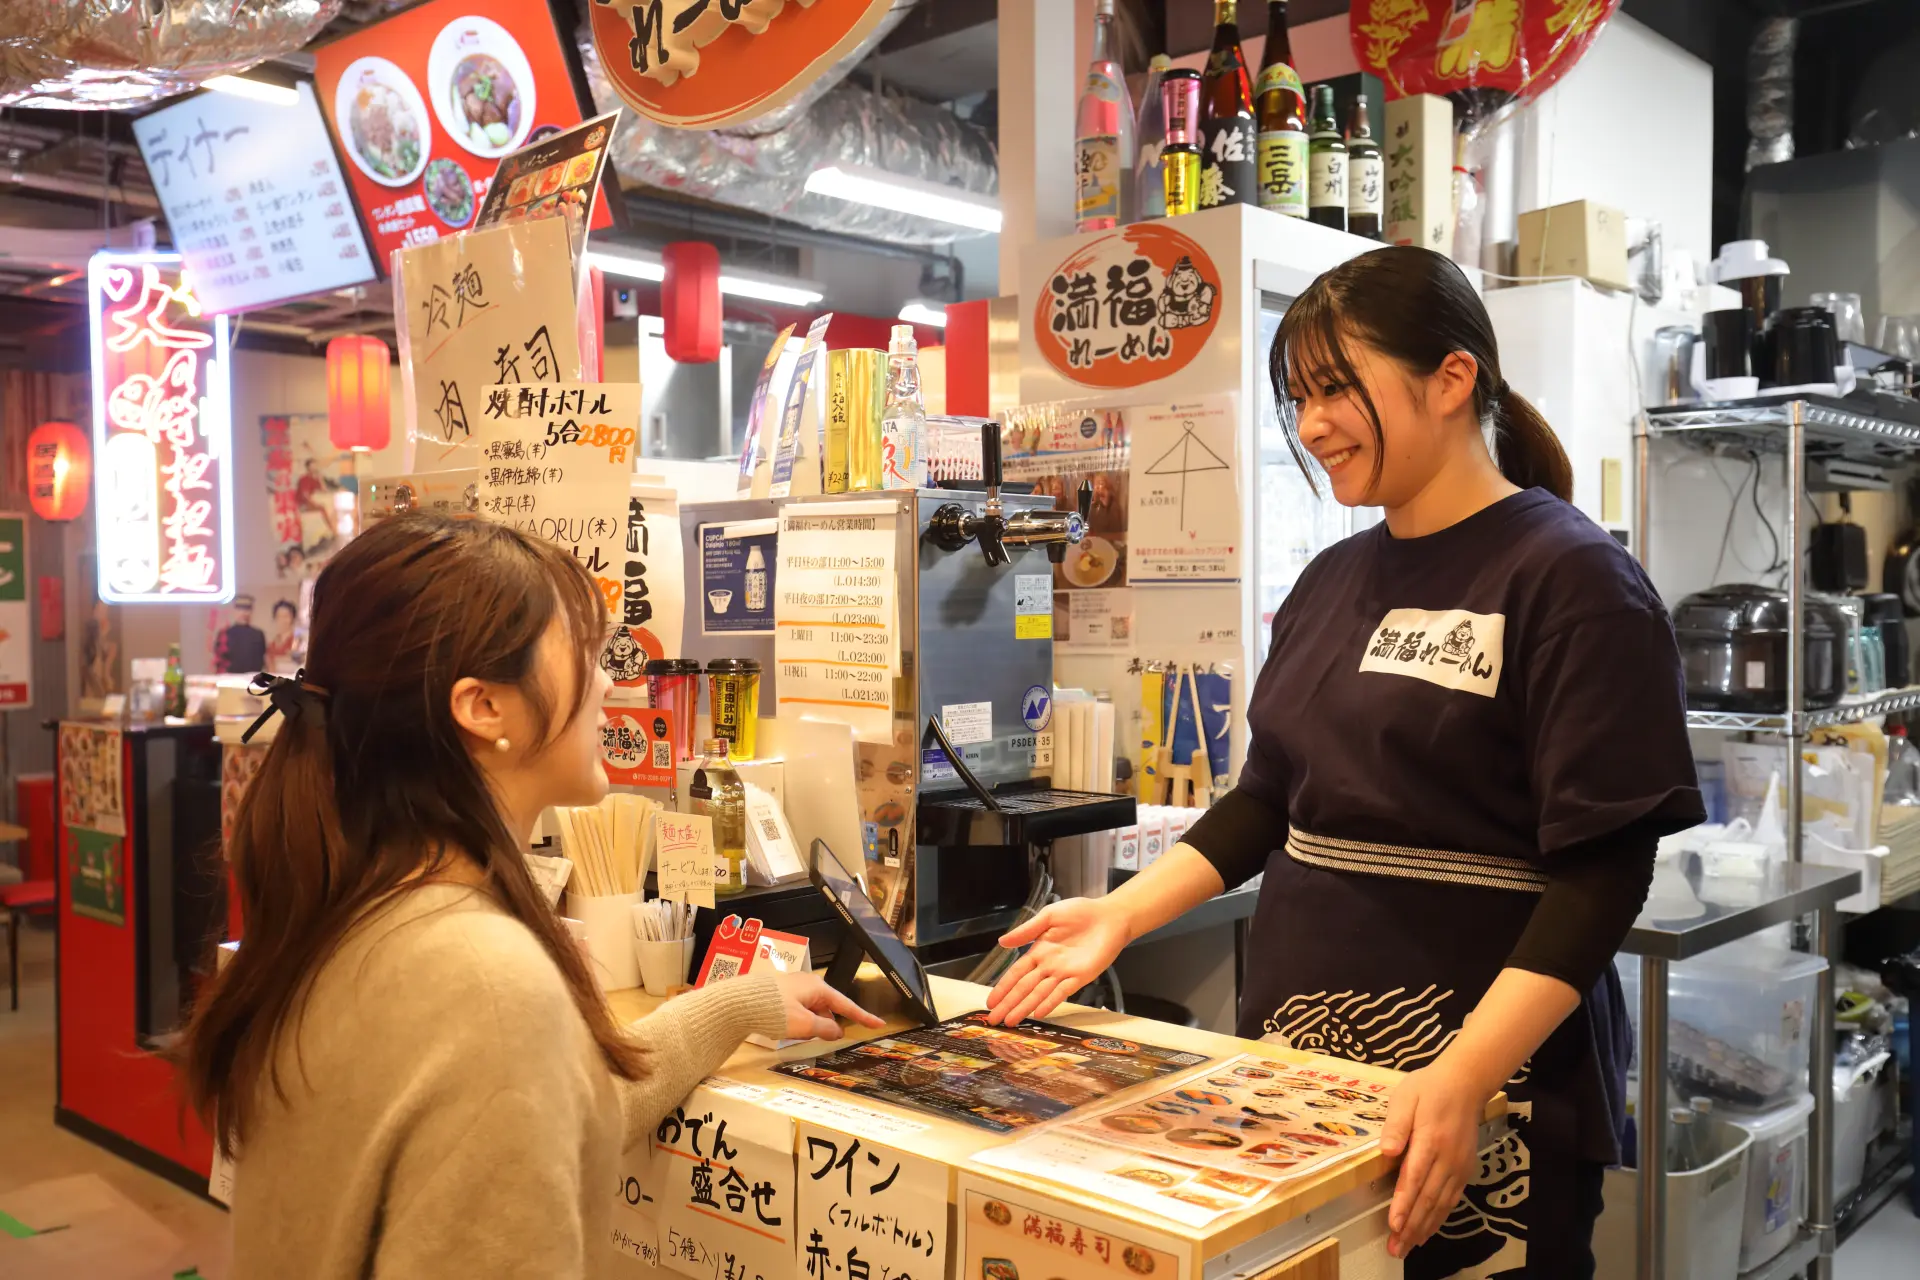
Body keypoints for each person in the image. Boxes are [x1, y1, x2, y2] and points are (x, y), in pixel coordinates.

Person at [985, 247, 1701, 1278]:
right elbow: (1270, 797)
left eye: (1334, 387)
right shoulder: (1330, 579)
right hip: (1300, 1076)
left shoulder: (1573, 578)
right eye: (1298, 397)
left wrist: (1463, 1075)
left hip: (1481, 1087)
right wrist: (1123, 914)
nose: (1312, 423)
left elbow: (1604, 870)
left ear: (1451, 378)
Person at [178, 513, 880, 1278]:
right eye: (579, 651)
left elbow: (551, 1111)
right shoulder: (483, 980)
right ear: (483, 706)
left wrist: (738, 1005)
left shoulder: (362, 901)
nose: (607, 681)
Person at [214, 594, 268, 674]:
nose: (244, 613)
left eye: (247, 609)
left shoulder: (258, 634)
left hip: (253, 678)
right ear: (234, 611)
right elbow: (219, 662)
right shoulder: (224, 634)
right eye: (240, 609)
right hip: (231, 678)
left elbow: (262, 659)